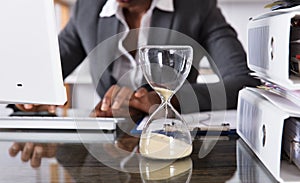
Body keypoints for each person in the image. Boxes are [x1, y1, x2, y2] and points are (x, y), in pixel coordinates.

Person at [15, 0, 260, 118]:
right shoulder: (87, 9)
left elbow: (242, 81)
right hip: (107, 146)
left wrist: (170, 98)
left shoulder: (197, 8)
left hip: (171, 142)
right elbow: (43, 75)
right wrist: (32, 95)